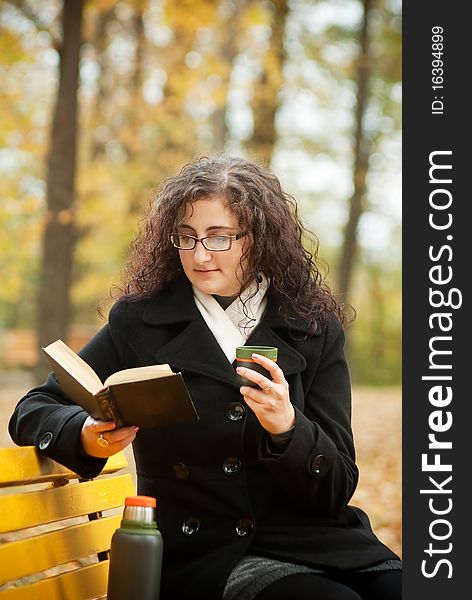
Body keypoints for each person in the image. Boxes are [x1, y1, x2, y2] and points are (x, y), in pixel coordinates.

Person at [9, 155, 401, 600]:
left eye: (219, 238)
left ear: (259, 238)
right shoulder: (141, 321)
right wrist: (84, 434)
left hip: (319, 539)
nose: (199, 254)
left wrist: (287, 429)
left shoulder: (311, 324)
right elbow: (32, 409)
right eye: (187, 237)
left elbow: (338, 485)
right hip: (209, 552)